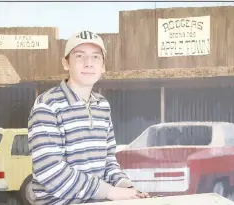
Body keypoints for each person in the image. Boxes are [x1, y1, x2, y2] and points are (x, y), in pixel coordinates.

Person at [27, 30, 149, 205]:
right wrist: (111, 192)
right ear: (66, 63)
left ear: (103, 66)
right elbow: (51, 171)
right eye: (79, 56)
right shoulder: (47, 105)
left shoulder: (102, 105)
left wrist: (127, 188)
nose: (88, 63)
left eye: (96, 57)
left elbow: (108, 161)